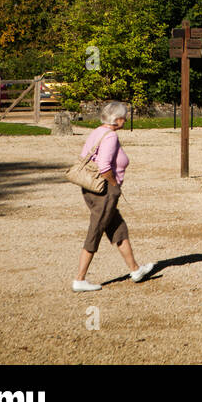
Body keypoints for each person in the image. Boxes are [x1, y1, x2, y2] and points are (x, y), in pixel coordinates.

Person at [72, 101, 155, 292]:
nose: (125, 120)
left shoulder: (97, 131)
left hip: (91, 188)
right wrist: (114, 185)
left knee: (118, 228)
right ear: (117, 119)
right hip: (103, 191)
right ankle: (80, 279)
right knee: (95, 230)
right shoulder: (110, 137)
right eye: (124, 116)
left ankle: (135, 269)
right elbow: (104, 166)